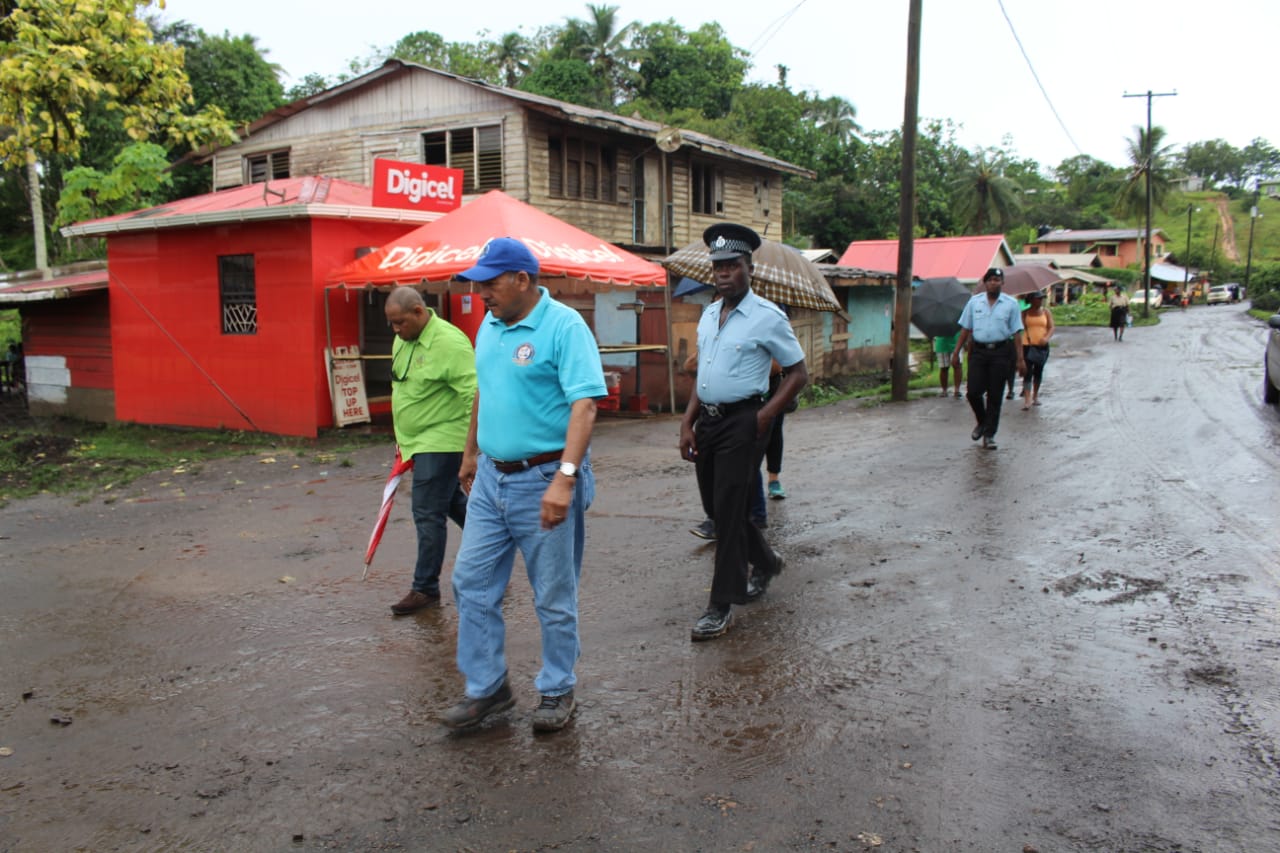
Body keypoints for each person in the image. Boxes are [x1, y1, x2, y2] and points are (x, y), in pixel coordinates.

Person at [440, 237, 606, 733]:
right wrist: (471, 453)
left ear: (522, 280)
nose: (481, 292)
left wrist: (565, 479)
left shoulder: (564, 327)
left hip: (544, 478)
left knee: (552, 594)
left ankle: (557, 689)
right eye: (478, 283)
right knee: (470, 581)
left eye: (490, 283)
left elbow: (586, 407)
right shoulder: (488, 326)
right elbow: (482, 393)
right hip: (492, 478)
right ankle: (488, 689)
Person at [678, 223, 808, 641]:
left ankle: (721, 605)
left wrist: (764, 417)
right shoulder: (709, 314)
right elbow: (706, 375)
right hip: (709, 422)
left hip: (744, 422)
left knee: (730, 515)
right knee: (719, 510)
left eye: (732, 265)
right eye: (717, 266)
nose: (723, 273)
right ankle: (767, 562)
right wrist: (687, 421)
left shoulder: (767, 317)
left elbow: (798, 373)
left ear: (749, 268)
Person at [383, 287, 476, 615]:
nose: (396, 330)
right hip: (416, 441)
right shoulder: (403, 340)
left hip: (442, 440)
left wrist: (473, 450)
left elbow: (472, 394)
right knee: (451, 503)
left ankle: (425, 588)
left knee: (427, 512)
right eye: (391, 324)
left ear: (419, 312)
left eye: (400, 323)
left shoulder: (449, 343)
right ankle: (495, 548)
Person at [952, 268, 1025, 451]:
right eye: (991, 279)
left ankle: (989, 435)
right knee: (973, 392)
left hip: (1001, 352)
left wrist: (1020, 359)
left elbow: (1017, 332)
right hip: (979, 351)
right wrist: (956, 352)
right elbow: (965, 329)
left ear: (1002, 283)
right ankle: (982, 422)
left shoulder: (1011, 304)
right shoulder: (974, 303)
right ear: (985, 282)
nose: (994, 283)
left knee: (995, 394)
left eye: (998, 280)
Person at [1020, 291, 1054, 409]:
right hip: (1027, 345)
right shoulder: (1025, 313)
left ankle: (1035, 395)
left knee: (1038, 371)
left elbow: (1051, 327)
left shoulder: (1046, 312)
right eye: (1037, 299)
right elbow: (1020, 327)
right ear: (1031, 300)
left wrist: (1046, 338)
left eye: (1041, 299)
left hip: (1042, 346)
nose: (1040, 301)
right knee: (1027, 372)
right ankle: (1027, 398)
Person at [933, 332, 962, 397]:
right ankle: (944, 390)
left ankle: (957, 390)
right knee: (943, 368)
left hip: (957, 343)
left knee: (957, 366)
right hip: (941, 344)